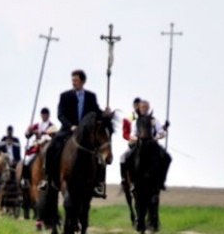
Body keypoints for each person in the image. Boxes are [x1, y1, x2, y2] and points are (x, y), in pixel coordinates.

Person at [41, 69, 108, 197]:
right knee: (50, 148)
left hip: (86, 133)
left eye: (76, 80)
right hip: (67, 130)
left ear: (82, 81)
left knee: (102, 153)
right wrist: (71, 125)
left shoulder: (90, 96)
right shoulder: (64, 96)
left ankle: (98, 184)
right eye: (72, 80)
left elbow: (97, 112)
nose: (74, 83)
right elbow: (60, 114)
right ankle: (48, 179)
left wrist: (106, 113)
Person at [22, 107, 54, 187]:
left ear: (48, 115)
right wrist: (29, 131)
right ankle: (25, 179)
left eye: (46, 114)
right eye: (43, 114)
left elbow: (52, 135)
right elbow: (27, 135)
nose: (44, 116)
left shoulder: (52, 126)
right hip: (36, 147)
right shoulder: (36, 125)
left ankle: (52, 180)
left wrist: (42, 133)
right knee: (26, 161)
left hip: (47, 148)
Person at [120, 98, 142, 189]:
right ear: (133, 106)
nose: (137, 107)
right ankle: (125, 179)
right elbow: (125, 134)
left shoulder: (147, 117)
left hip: (145, 144)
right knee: (122, 157)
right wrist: (131, 138)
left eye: (139, 105)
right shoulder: (128, 118)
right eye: (136, 105)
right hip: (134, 144)